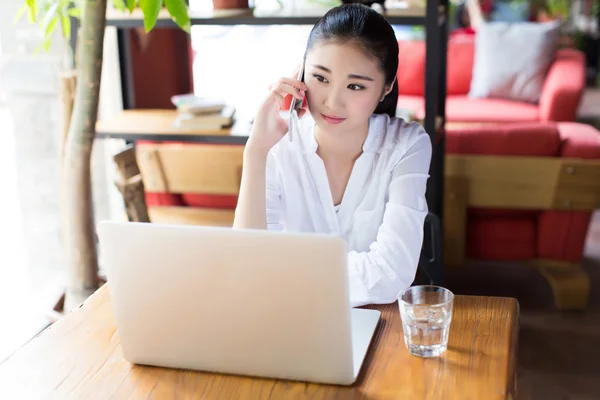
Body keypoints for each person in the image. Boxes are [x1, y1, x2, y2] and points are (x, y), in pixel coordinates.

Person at [233, 4, 432, 307]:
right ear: (300, 74)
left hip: (378, 320)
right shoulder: (277, 144)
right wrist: (255, 151)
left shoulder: (407, 145)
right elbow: (247, 263)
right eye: (321, 78)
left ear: (385, 88)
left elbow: (391, 272)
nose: (332, 102)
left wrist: (281, 276)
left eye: (355, 86)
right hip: (288, 319)